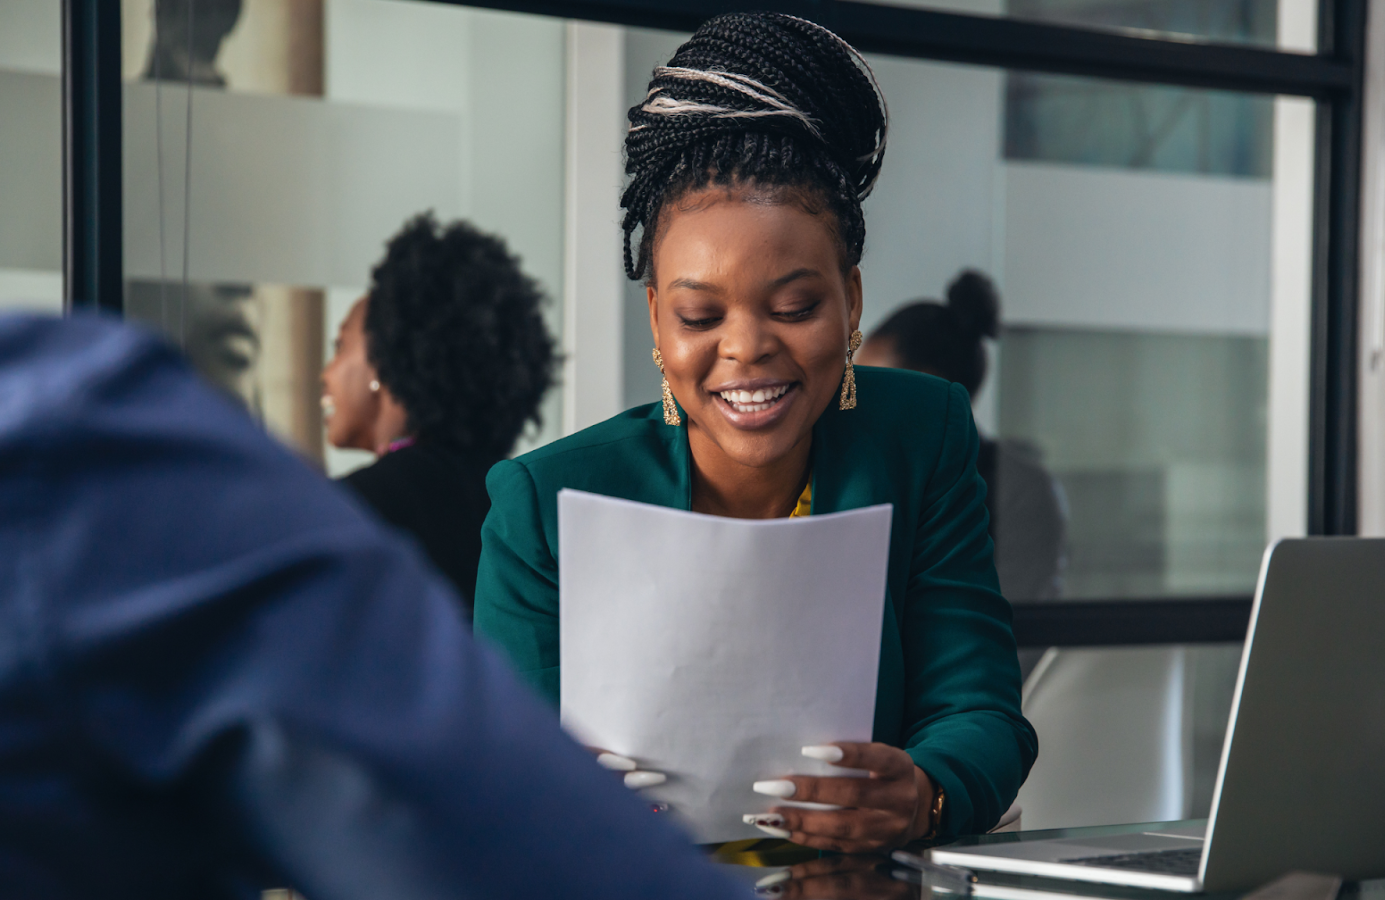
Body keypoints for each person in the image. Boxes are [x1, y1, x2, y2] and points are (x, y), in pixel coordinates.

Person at [0, 5, 744, 898]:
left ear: (393, 360)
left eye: (344, 340)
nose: (327, 367)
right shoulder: (89, 462)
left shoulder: (98, 471)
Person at [474, 12, 1037, 853]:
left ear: (851, 301)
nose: (746, 349)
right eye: (701, 314)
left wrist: (925, 791)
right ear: (658, 323)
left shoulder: (920, 436)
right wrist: (549, 799)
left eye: (795, 306)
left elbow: (980, 709)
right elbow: (491, 773)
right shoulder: (543, 504)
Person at [323, 213, 556, 607]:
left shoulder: (354, 512)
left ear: (383, 356)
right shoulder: (520, 502)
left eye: (340, 345)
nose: (325, 374)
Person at [856, 271, 1069, 605]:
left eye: (877, 390)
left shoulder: (1017, 492)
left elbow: (1016, 631)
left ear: (931, 392)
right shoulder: (866, 477)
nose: (860, 406)